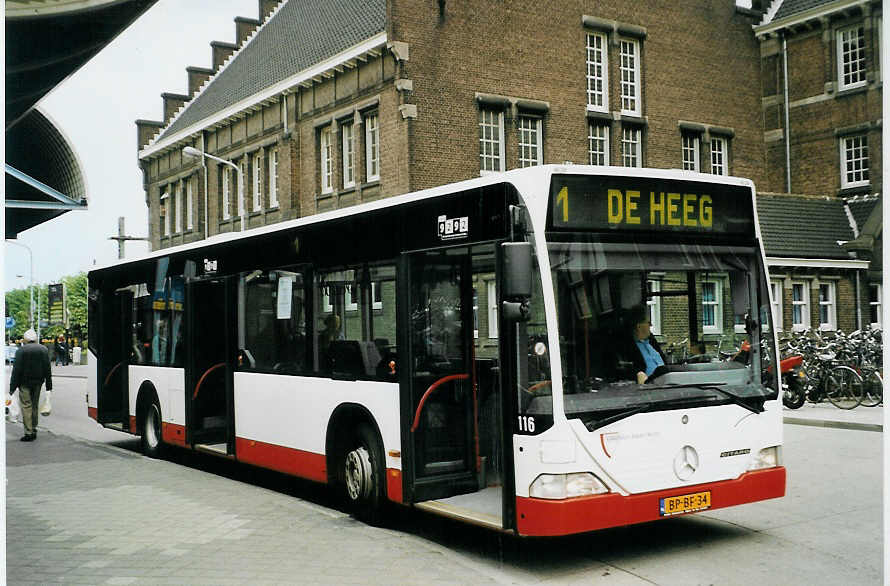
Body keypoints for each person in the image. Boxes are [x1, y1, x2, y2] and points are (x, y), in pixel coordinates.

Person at [8, 329, 52, 441]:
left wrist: (12, 388)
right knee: (34, 405)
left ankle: (29, 432)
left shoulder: (21, 351)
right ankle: (34, 427)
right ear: (36, 339)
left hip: (24, 383)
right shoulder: (43, 349)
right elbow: (47, 369)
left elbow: (16, 370)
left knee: (26, 406)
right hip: (38, 382)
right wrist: (48, 386)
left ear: (25, 339)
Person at [624, 305, 667, 384]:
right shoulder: (628, 347)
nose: (651, 325)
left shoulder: (652, 342)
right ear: (639, 326)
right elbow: (626, 370)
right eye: (648, 322)